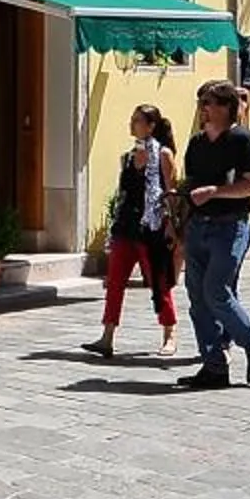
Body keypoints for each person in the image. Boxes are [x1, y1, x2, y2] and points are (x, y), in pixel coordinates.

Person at [176, 80, 250, 391]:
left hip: (230, 226)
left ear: (227, 107)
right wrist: (180, 209)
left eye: (210, 102)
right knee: (197, 297)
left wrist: (215, 192)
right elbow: (191, 183)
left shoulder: (243, 140)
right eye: (202, 102)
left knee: (216, 291)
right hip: (198, 227)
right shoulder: (197, 144)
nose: (204, 108)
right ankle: (214, 365)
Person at [85, 105, 180, 360]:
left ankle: (169, 334)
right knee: (114, 282)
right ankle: (107, 337)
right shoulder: (127, 157)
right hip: (125, 227)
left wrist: (170, 225)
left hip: (152, 228)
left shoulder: (164, 154)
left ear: (151, 125)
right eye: (132, 119)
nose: (131, 124)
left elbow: (170, 193)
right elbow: (124, 193)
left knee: (159, 283)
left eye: (137, 120)